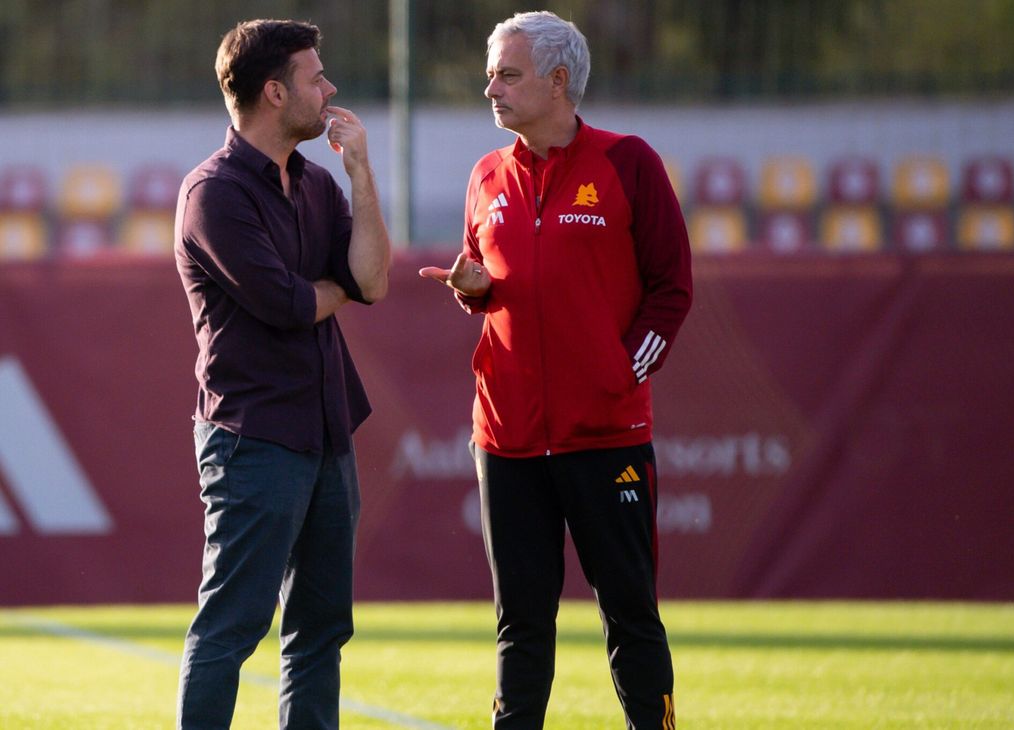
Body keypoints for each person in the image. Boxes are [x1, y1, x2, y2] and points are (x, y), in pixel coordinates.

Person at [419, 11, 692, 730]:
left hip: (605, 434)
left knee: (630, 612)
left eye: (507, 74)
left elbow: (672, 288)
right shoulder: (485, 174)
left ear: (559, 81)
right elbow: (496, 285)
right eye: (490, 74)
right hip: (506, 440)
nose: (491, 89)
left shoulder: (629, 162)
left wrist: (619, 374)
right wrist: (473, 290)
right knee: (521, 623)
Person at [173, 18, 390, 729]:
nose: (329, 90)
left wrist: (360, 173)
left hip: (326, 433)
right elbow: (293, 304)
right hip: (252, 438)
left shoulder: (322, 184)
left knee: (320, 630)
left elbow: (373, 281)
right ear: (273, 92)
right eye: (314, 76)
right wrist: (335, 292)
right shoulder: (215, 194)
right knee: (232, 626)